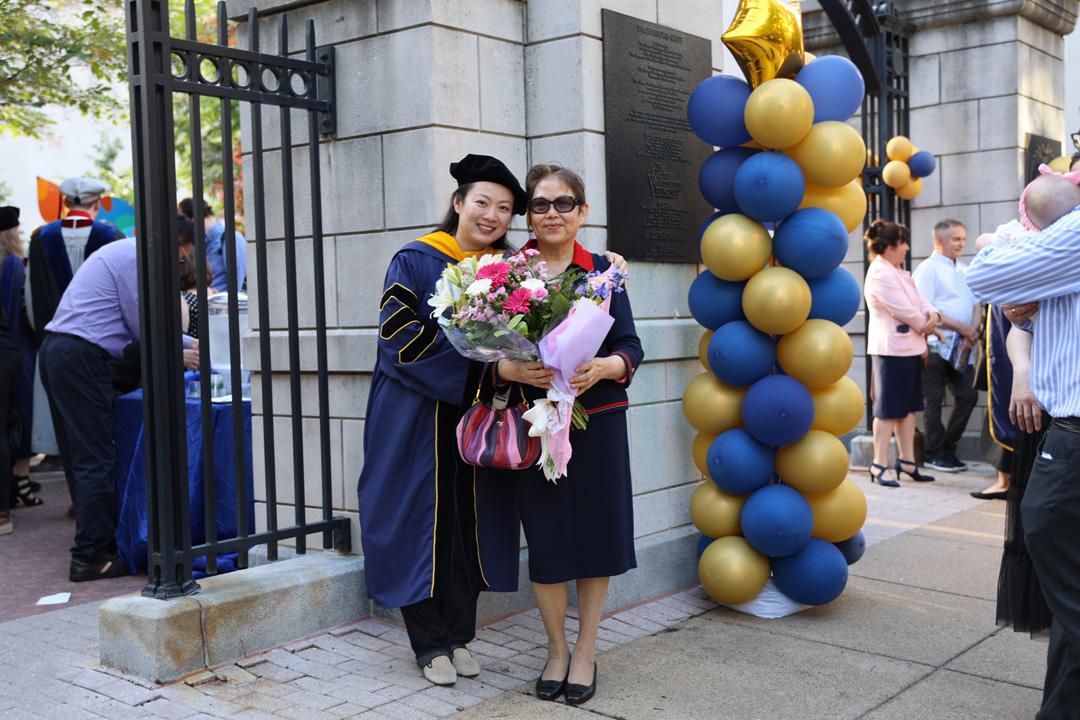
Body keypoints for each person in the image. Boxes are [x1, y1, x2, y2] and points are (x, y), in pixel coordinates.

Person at [357, 154, 530, 686]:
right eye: (482, 202)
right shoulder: (415, 260)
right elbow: (397, 339)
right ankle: (428, 642)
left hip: (481, 417)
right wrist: (481, 368)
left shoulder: (511, 272)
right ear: (458, 203)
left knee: (468, 524)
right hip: (415, 415)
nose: (492, 215)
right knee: (418, 523)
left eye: (503, 208)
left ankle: (459, 635)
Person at [480, 163, 643, 706]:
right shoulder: (503, 272)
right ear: (529, 214)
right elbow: (479, 353)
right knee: (547, 537)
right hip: (535, 422)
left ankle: (587, 649)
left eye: (564, 203)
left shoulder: (603, 272)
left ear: (583, 212)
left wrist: (606, 367)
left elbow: (631, 345)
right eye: (541, 204)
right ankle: (554, 648)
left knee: (598, 535)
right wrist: (505, 370)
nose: (552, 213)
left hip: (595, 421)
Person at [967, 173, 1080, 718]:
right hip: (1059, 425)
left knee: (1047, 533)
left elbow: (986, 273)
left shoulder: (1074, 233)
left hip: (1072, 433)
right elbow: (1018, 316)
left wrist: (1019, 262)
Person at [39, 223, 196, 581]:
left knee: (83, 454)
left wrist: (184, 345)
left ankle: (94, 542)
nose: (182, 261)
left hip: (62, 350)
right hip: (80, 355)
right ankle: (90, 556)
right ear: (173, 244)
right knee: (97, 456)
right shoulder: (134, 258)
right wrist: (184, 347)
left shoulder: (124, 252)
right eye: (183, 253)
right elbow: (145, 325)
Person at [27, 177, 123, 461]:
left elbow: (32, 296)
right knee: (96, 432)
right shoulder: (111, 236)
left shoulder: (41, 237)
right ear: (97, 203)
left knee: (63, 426)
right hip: (99, 346)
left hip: (54, 341)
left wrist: (41, 334)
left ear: (67, 202)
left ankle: (76, 498)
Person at [863, 220, 942, 487]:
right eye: (903, 243)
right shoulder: (880, 274)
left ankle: (907, 461)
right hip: (891, 351)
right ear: (888, 247)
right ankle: (879, 464)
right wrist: (926, 323)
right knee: (887, 410)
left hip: (908, 349)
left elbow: (919, 302)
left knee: (908, 408)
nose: (907, 248)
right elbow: (904, 311)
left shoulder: (898, 272)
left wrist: (933, 314)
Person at [912, 220, 981, 473]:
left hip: (963, 345)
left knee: (968, 395)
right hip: (936, 344)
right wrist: (962, 328)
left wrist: (973, 329)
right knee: (934, 399)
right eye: (956, 239)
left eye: (963, 238)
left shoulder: (964, 269)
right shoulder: (927, 269)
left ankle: (948, 448)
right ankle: (934, 453)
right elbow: (927, 308)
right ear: (940, 240)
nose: (961, 243)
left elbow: (976, 303)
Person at [0, 207, 38, 508]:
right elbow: (29, 315)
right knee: (22, 417)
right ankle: (21, 481)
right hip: (19, 351)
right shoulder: (17, 266)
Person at [178, 197, 246, 293]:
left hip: (222, 305)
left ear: (193, 219)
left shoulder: (231, 238)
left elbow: (237, 284)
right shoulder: (198, 243)